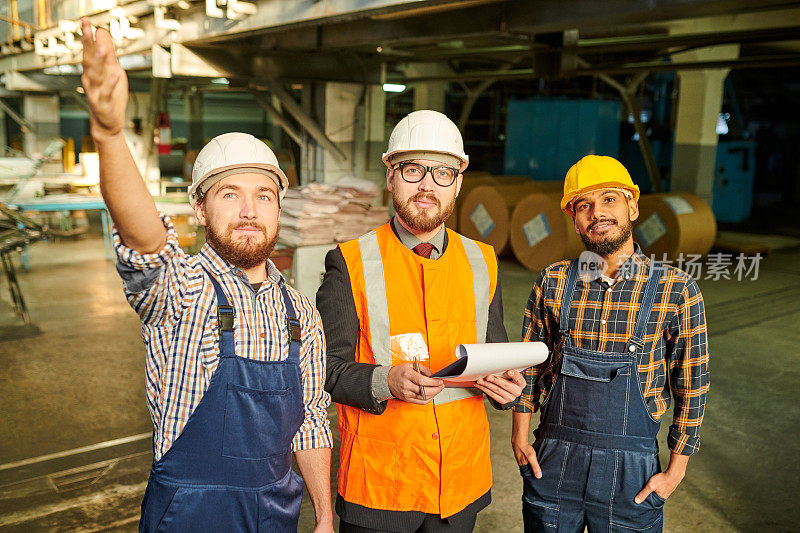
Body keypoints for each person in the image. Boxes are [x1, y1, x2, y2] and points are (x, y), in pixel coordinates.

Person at [80, 19, 333, 532]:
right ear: (199, 207)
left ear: (279, 207)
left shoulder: (299, 311)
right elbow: (147, 241)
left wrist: (325, 515)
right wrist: (109, 134)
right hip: (192, 516)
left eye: (264, 195)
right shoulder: (185, 290)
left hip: (278, 514)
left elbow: (309, 420)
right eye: (228, 193)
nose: (249, 209)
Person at [317, 110, 526, 533]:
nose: (428, 185)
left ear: (458, 183)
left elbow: (494, 357)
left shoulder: (482, 262)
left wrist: (508, 389)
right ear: (391, 176)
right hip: (381, 484)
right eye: (413, 170)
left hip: (459, 483)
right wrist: (385, 381)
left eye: (443, 173)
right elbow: (326, 370)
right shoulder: (350, 262)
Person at [511, 155, 710, 532]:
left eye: (609, 199)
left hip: (631, 473)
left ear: (632, 206)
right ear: (574, 218)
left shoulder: (676, 288)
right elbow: (529, 366)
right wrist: (520, 436)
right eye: (583, 205)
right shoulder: (553, 281)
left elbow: (693, 386)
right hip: (553, 462)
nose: (597, 213)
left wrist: (673, 474)